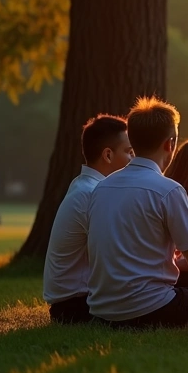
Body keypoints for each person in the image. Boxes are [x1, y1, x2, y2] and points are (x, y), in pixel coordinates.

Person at [86, 97, 188, 328]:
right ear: (170, 144)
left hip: (102, 311)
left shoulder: (101, 188)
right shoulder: (168, 190)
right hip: (151, 310)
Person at [43, 115, 133, 324]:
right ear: (108, 155)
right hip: (78, 308)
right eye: (129, 152)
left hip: (77, 303)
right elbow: (119, 258)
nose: (133, 159)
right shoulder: (94, 194)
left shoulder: (85, 186)